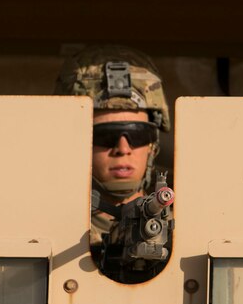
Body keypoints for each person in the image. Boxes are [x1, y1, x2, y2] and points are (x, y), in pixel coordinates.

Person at [54, 45, 171, 251]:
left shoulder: (188, 230)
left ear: (153, 145)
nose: (123, 148)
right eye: (105, 135)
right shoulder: (49, 230)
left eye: (137, 134)